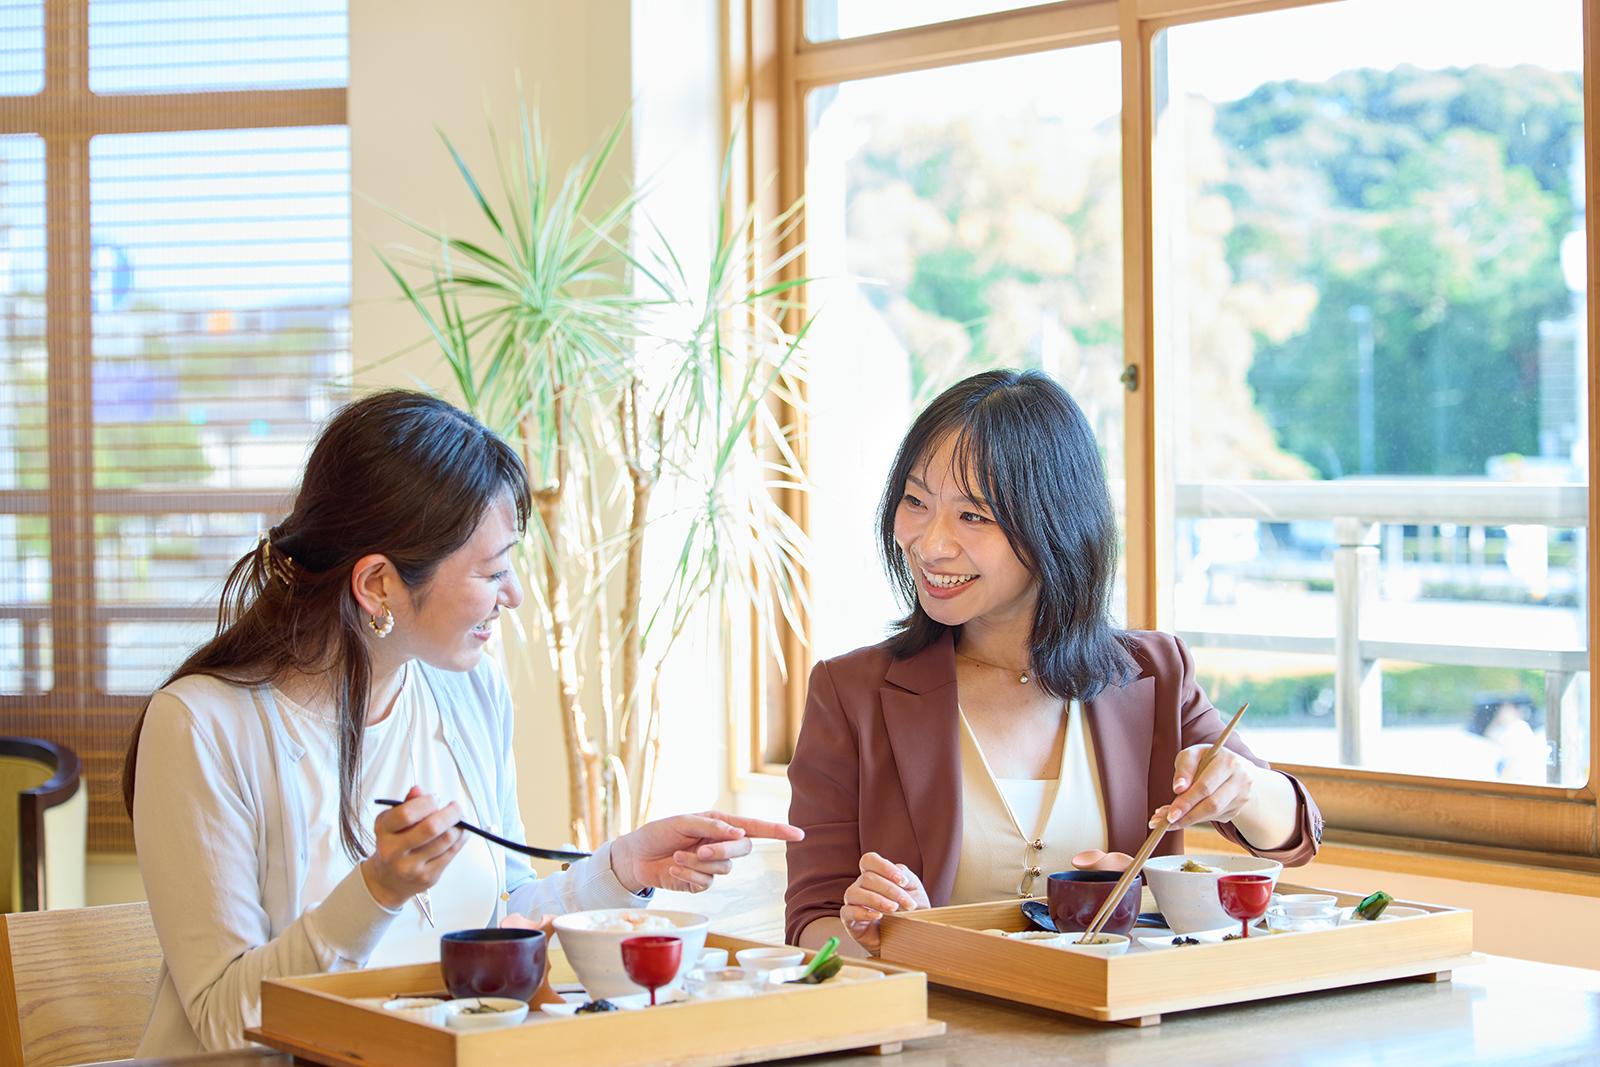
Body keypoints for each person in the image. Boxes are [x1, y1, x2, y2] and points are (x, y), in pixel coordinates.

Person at [124, 390, 802, 1055]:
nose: (514, 594)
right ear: (378, 585)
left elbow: (502, 910)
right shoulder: (200, 726)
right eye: (492, 571)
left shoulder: (469, 690)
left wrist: (622, 868)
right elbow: (223, 1018)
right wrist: (378, 891)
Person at [784, 369, 1320, 953]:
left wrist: (1244, 789)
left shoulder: (1152, 673)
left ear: (1055, 523)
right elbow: (812, 920)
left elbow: (1294, 835)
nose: (931, 544)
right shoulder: (850, 692)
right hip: (940, 1006)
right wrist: (885, 936)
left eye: (973, 515)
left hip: (1116, 1005)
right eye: (916, 501)